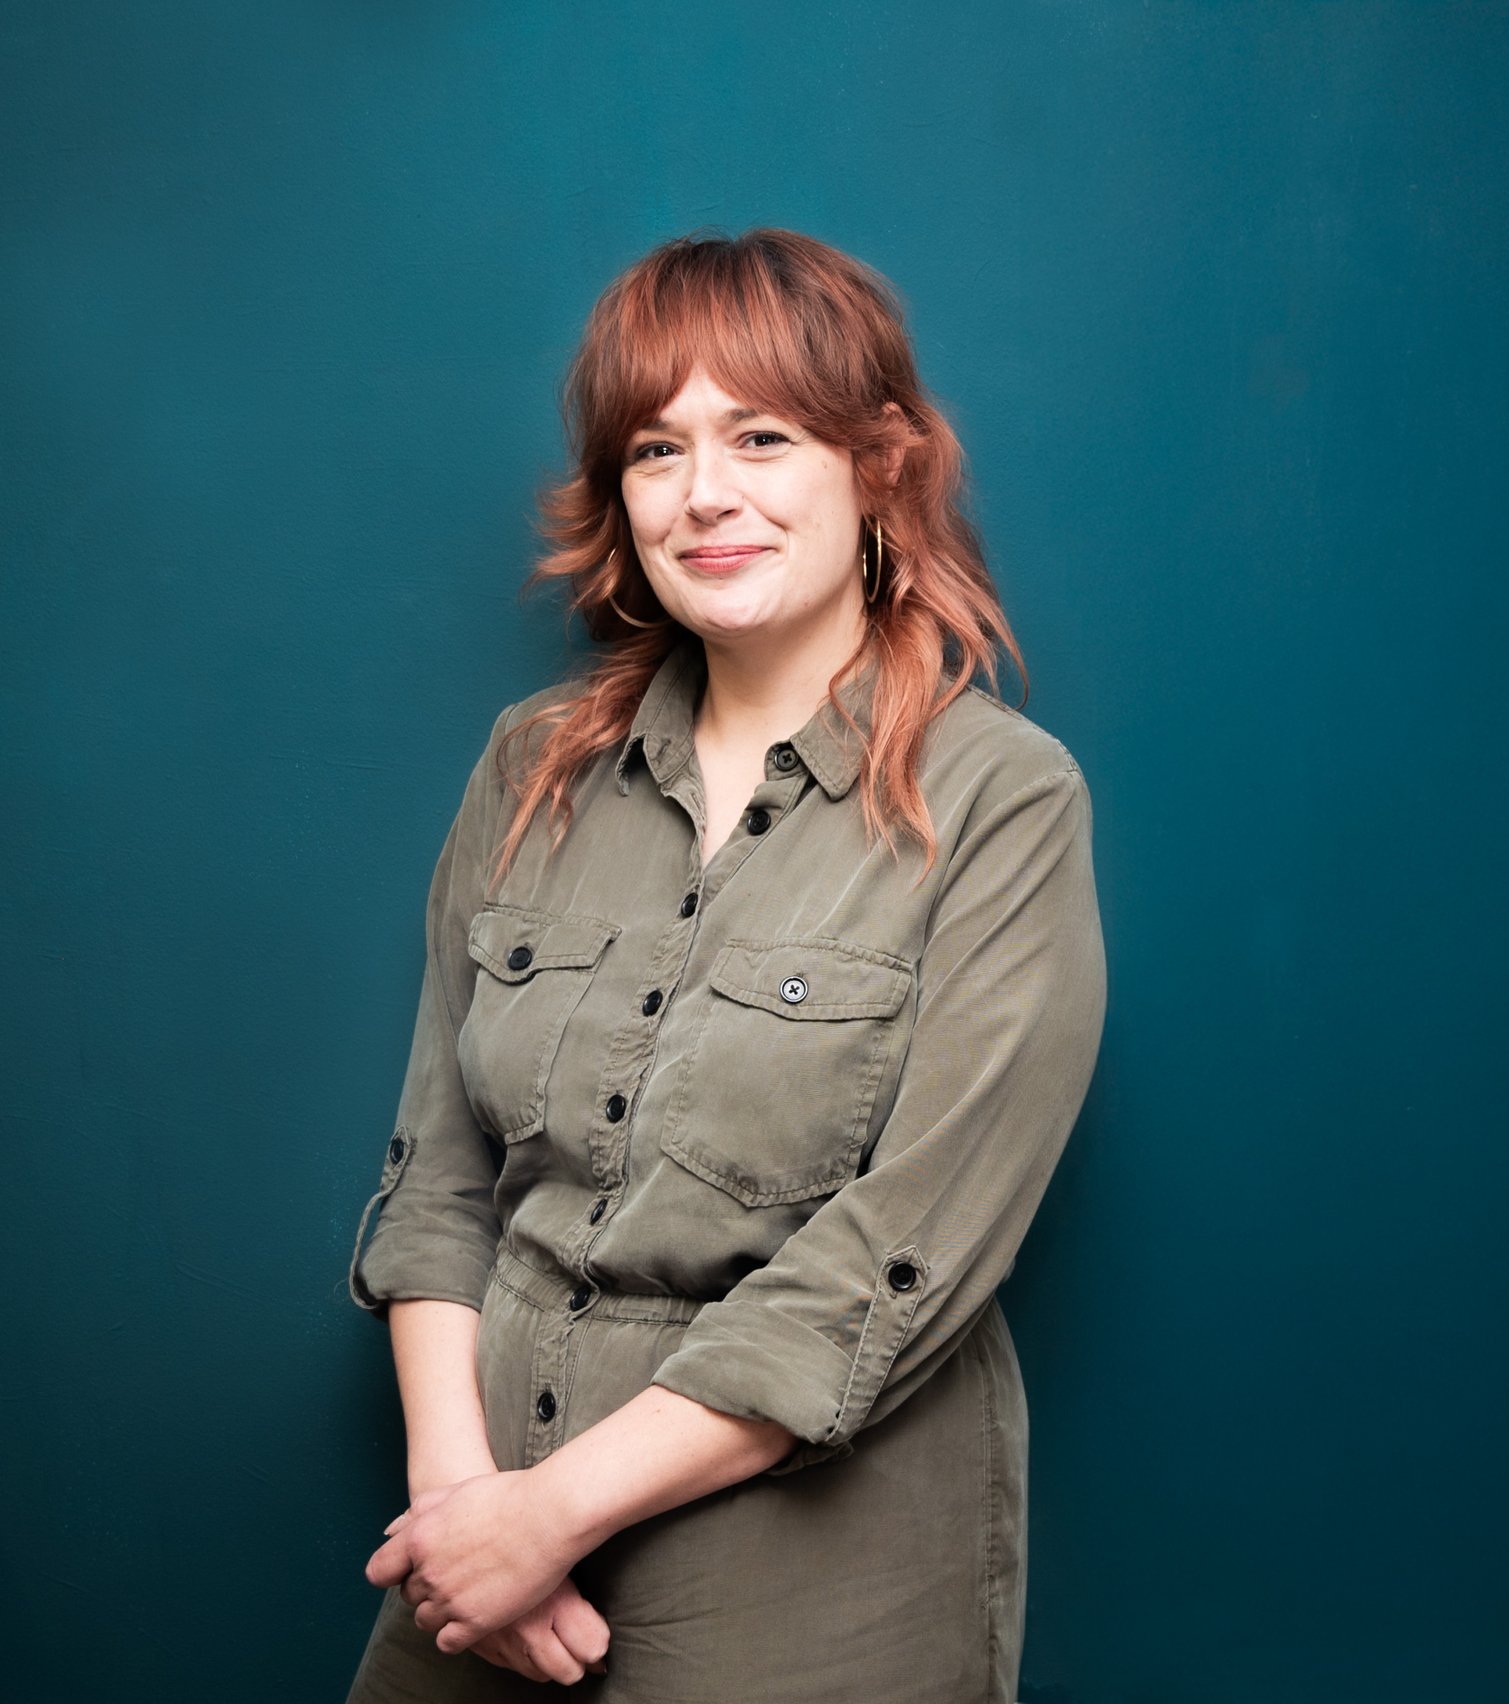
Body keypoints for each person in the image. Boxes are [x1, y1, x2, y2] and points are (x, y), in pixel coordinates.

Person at [341, 227, 1107, 1702]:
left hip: (813, 1573)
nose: (705, 497)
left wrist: (553, 1517)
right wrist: (465, 1514)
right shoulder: (530, 770)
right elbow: (437, 1178)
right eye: (655, 450)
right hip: (481, 1532)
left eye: (761, 436)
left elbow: (901, 1256)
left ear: (877, 466)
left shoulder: (1005, 801)